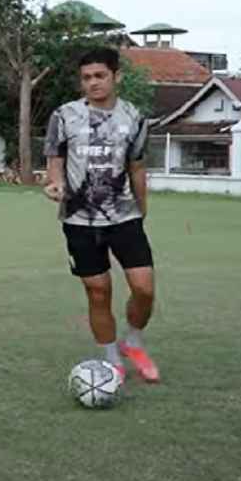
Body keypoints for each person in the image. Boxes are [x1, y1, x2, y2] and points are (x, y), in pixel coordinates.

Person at [43, 47, 160, 383]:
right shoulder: (64, 116)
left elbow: (137, 167)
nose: (92, 83)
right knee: (98, 292)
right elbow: (55, 164)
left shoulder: (134, 117)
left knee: (144, 289)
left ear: (116, 76)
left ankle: (133, 341)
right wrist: (53, 186)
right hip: (79, 219)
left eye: (99, 76)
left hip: (124, 216)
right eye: (86, 78)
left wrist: (142, 210)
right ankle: (111, 360)